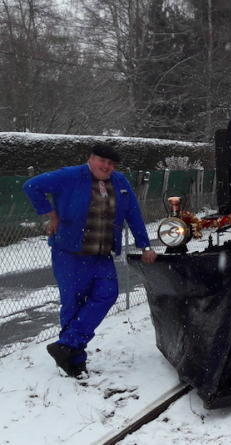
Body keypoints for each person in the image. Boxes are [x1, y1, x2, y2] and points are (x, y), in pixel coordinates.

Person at [23, 144, 157, 379]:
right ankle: (75, 361)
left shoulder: (120, 181)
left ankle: (66, 344)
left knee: (108, 293)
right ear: (91, 159)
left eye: (111, 164)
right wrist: (51, 215)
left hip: (101, 253)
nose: (106, 167)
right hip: (70, 253)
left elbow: (133, 212)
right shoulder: (70, 175)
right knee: (72, 304)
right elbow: (31, 186)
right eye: (102, 161)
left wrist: (145, 245)